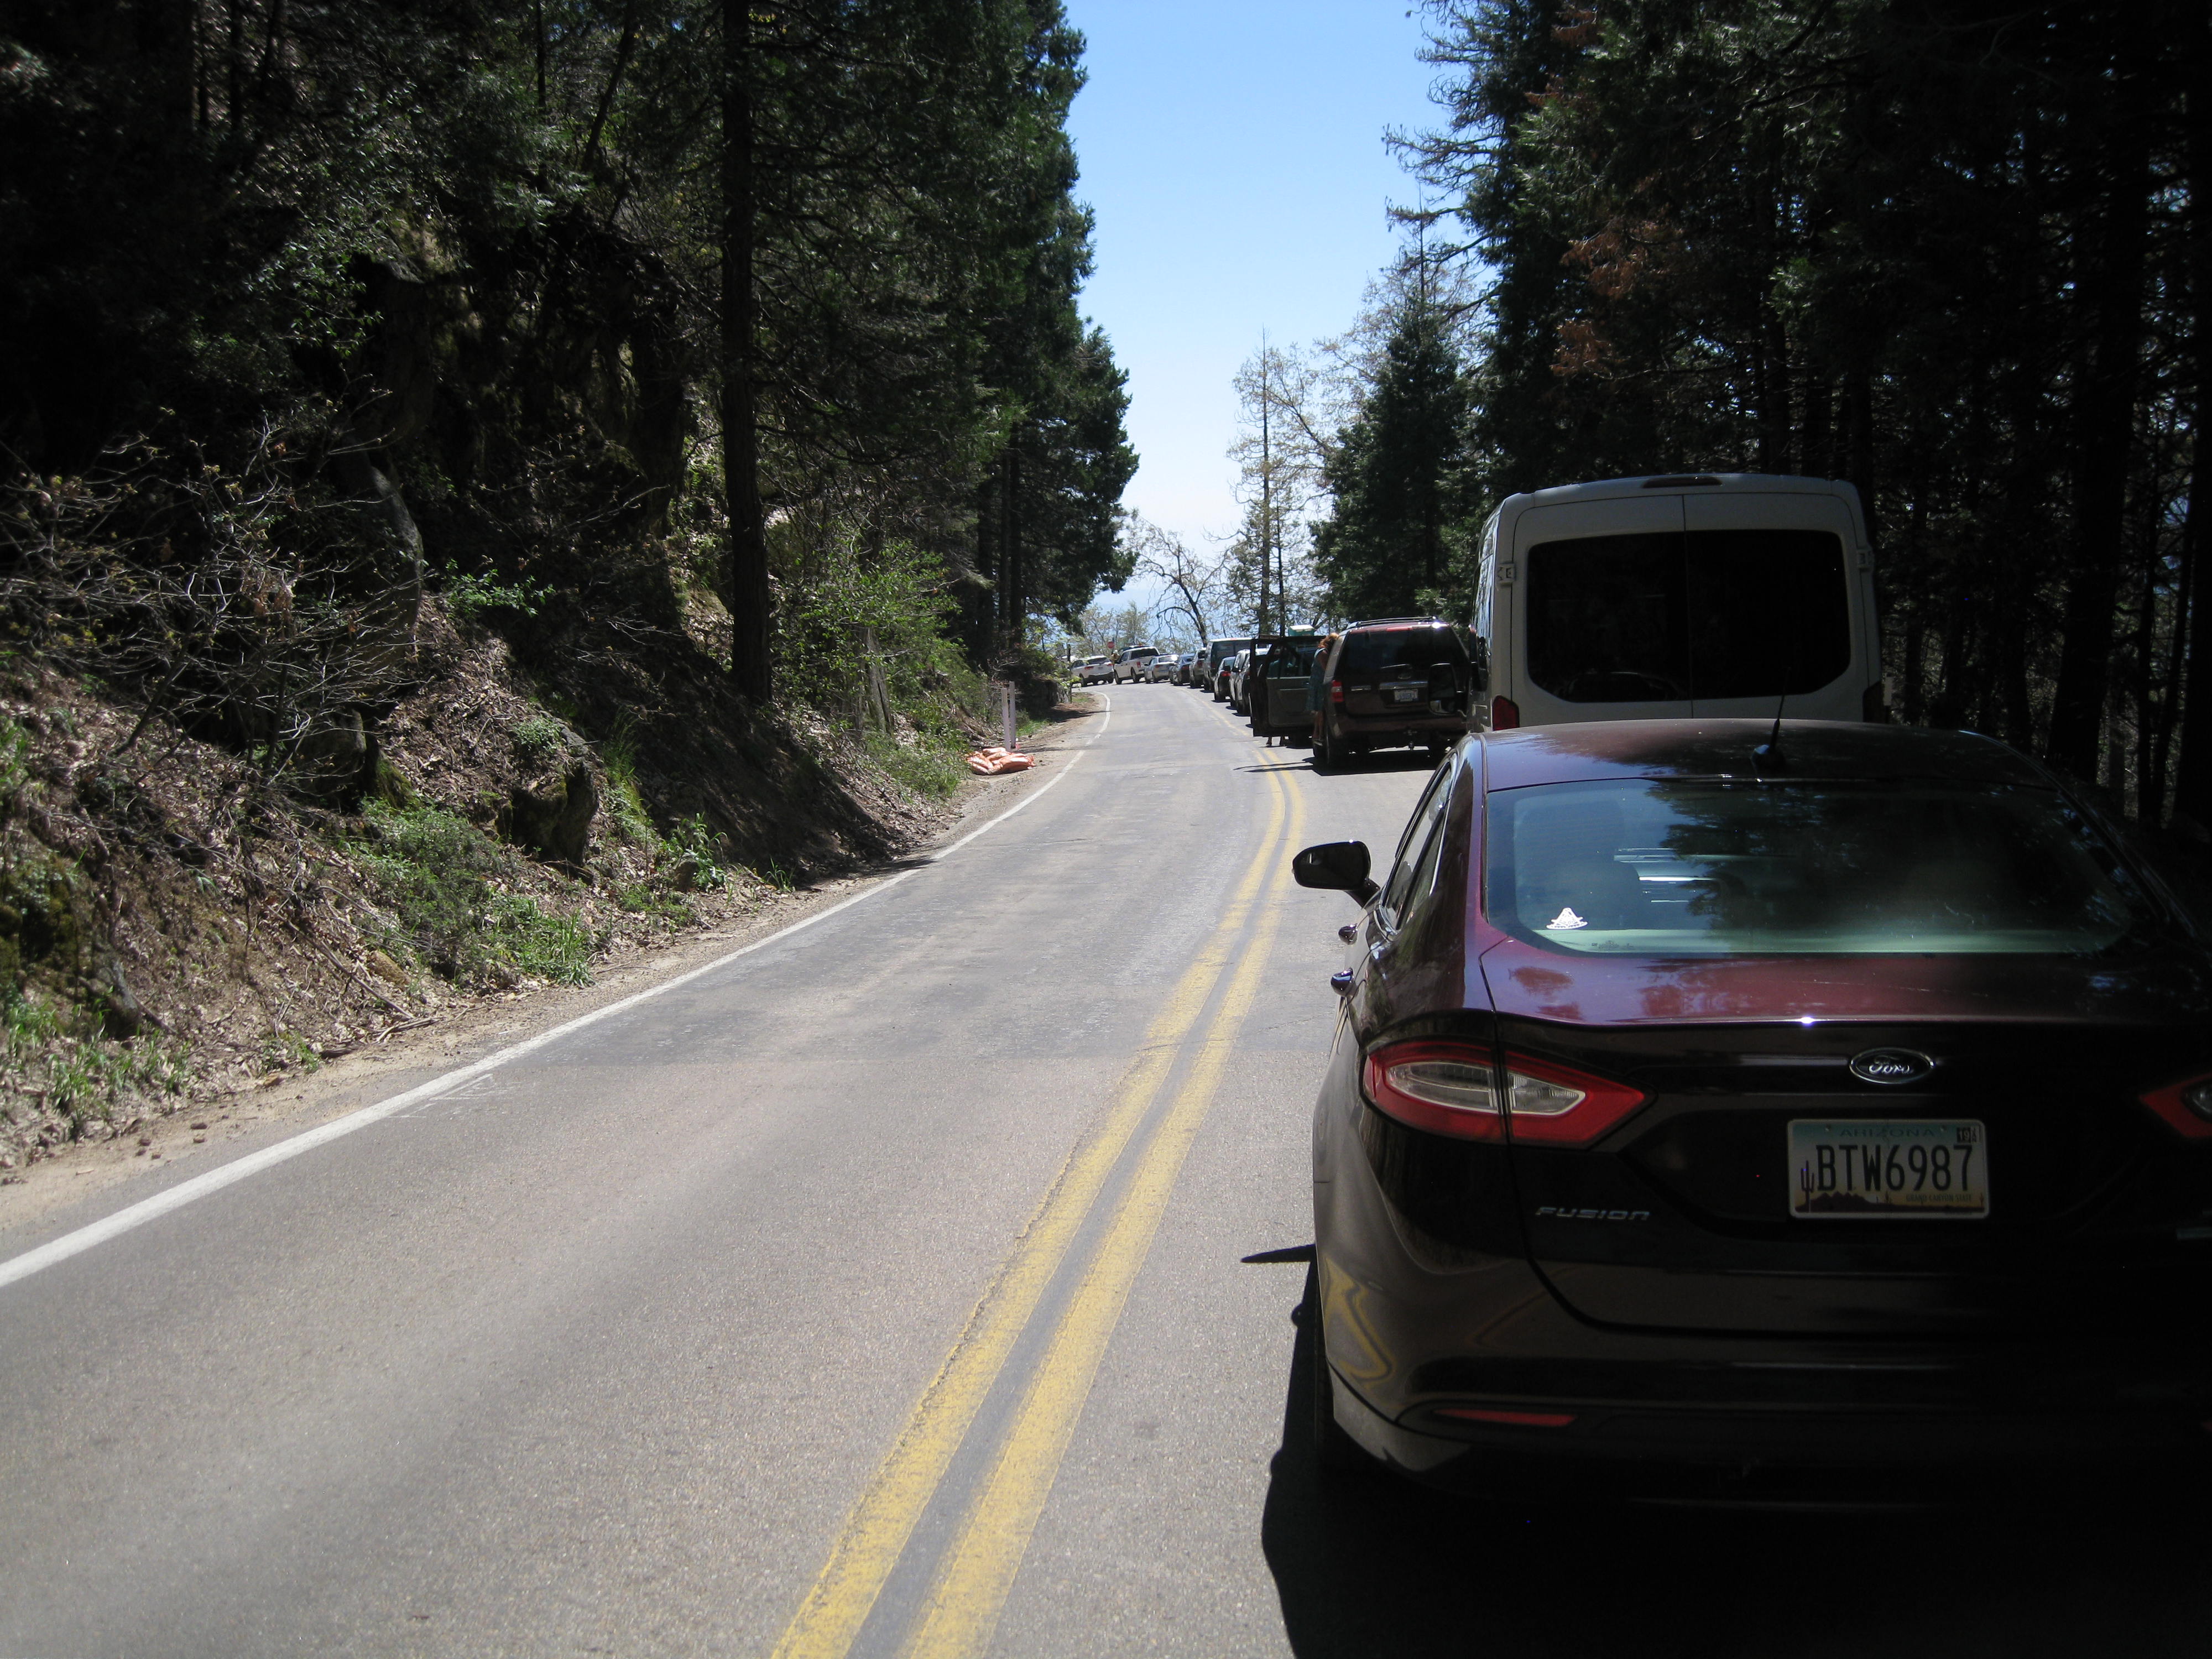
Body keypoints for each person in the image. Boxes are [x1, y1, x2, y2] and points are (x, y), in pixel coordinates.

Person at [1307, 634, 1340, 748]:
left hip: (1319, 684)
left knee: (1319, 711)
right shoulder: (1323, 653)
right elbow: (1327, 670)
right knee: (1320, 710)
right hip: (1320, 685)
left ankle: (1317, 734)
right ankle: (1320, 734)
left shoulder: (1322, 651)